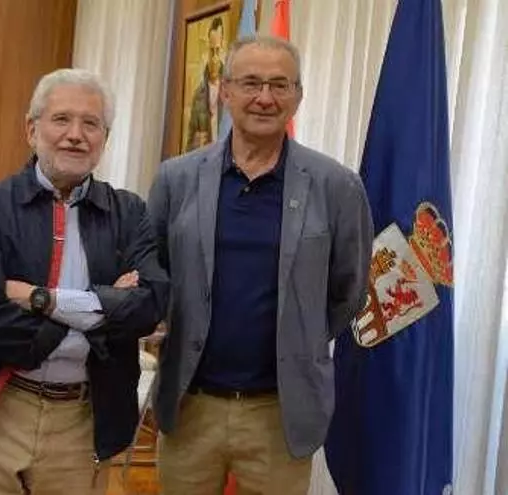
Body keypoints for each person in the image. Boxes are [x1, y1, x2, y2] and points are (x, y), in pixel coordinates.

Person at [149, 35, 374, 495]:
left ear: (298, 95)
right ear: (225, 91)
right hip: (191, 406)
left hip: (280, 414)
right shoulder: (176, 178)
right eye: (251, 83)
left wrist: (300, 337)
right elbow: (156, 271)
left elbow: (348, 291)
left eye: (279, 84)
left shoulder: (337, 186)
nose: (265, 98)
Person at [0, 68, 169, 495]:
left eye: (91, 124)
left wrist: (40, 299)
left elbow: (149, 307)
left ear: (105, 138)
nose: (75, 135)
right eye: (61, 119)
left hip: (85, 418)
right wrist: (102, 311)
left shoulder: (129, 213)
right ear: (32, 130)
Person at [186, 16, 227, 152]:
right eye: (211, 51)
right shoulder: (198, 95)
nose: (214, 58)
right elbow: (188, 147)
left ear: (223, 50)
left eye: (217, 51)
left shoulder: (233, 92)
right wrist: (195, 143)